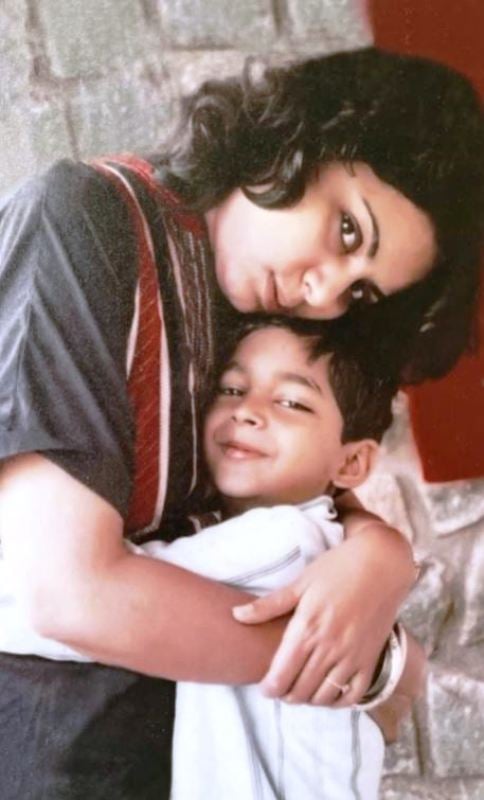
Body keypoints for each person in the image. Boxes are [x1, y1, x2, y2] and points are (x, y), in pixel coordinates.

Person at [0, 47, 482, 799]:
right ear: (304, 138)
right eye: (349, 232)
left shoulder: (258, 313)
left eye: (359, 296)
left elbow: (319, 488)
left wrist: (378, 553)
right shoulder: (84, 223)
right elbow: (68, 595)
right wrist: (372, 667)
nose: (322, 292)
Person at [0, 318, 426, 799]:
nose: (247, 411)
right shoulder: (306, 540)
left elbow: (65, 602)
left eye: (291, 402)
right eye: (231, 388)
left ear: (351, 464)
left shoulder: (288, 543)